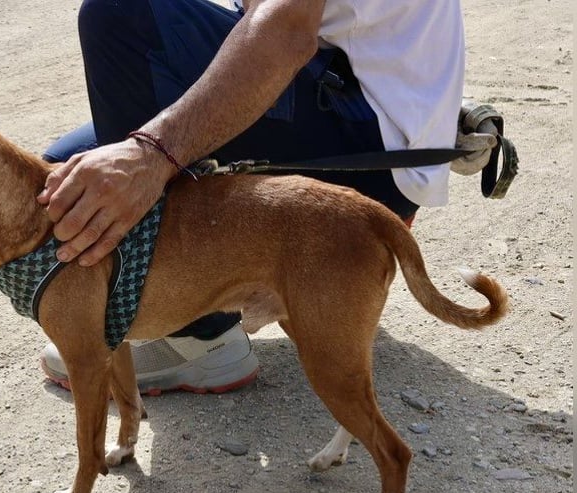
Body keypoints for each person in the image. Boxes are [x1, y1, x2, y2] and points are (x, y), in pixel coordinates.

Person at [36, 0, 493, 394]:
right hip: (372, 119)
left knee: (119, 14)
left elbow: (285, 34)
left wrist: (151, 153)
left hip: (370, 161)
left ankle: (197, 333)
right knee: (66, 166)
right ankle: (318, 280)